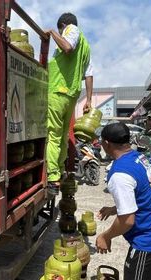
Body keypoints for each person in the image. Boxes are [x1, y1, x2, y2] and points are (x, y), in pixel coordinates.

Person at [96, 122, 151, 280]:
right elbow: (145, 195)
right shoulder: (140, 158)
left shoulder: (119, 174)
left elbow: (127, 221)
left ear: (106, 143)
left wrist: (105, 236)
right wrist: (115, 208)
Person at [45, 12, 93, 195]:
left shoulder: (71, 30)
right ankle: (60, 171)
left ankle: (52, 177)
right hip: (71, 94)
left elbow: (67, 47)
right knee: (63, 134)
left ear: (63, 25)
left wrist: (52, 32)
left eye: (60, 30)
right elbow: (89, 74)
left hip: (58, 90)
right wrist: (88, 99)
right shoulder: (86, 47)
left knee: (53, 135)